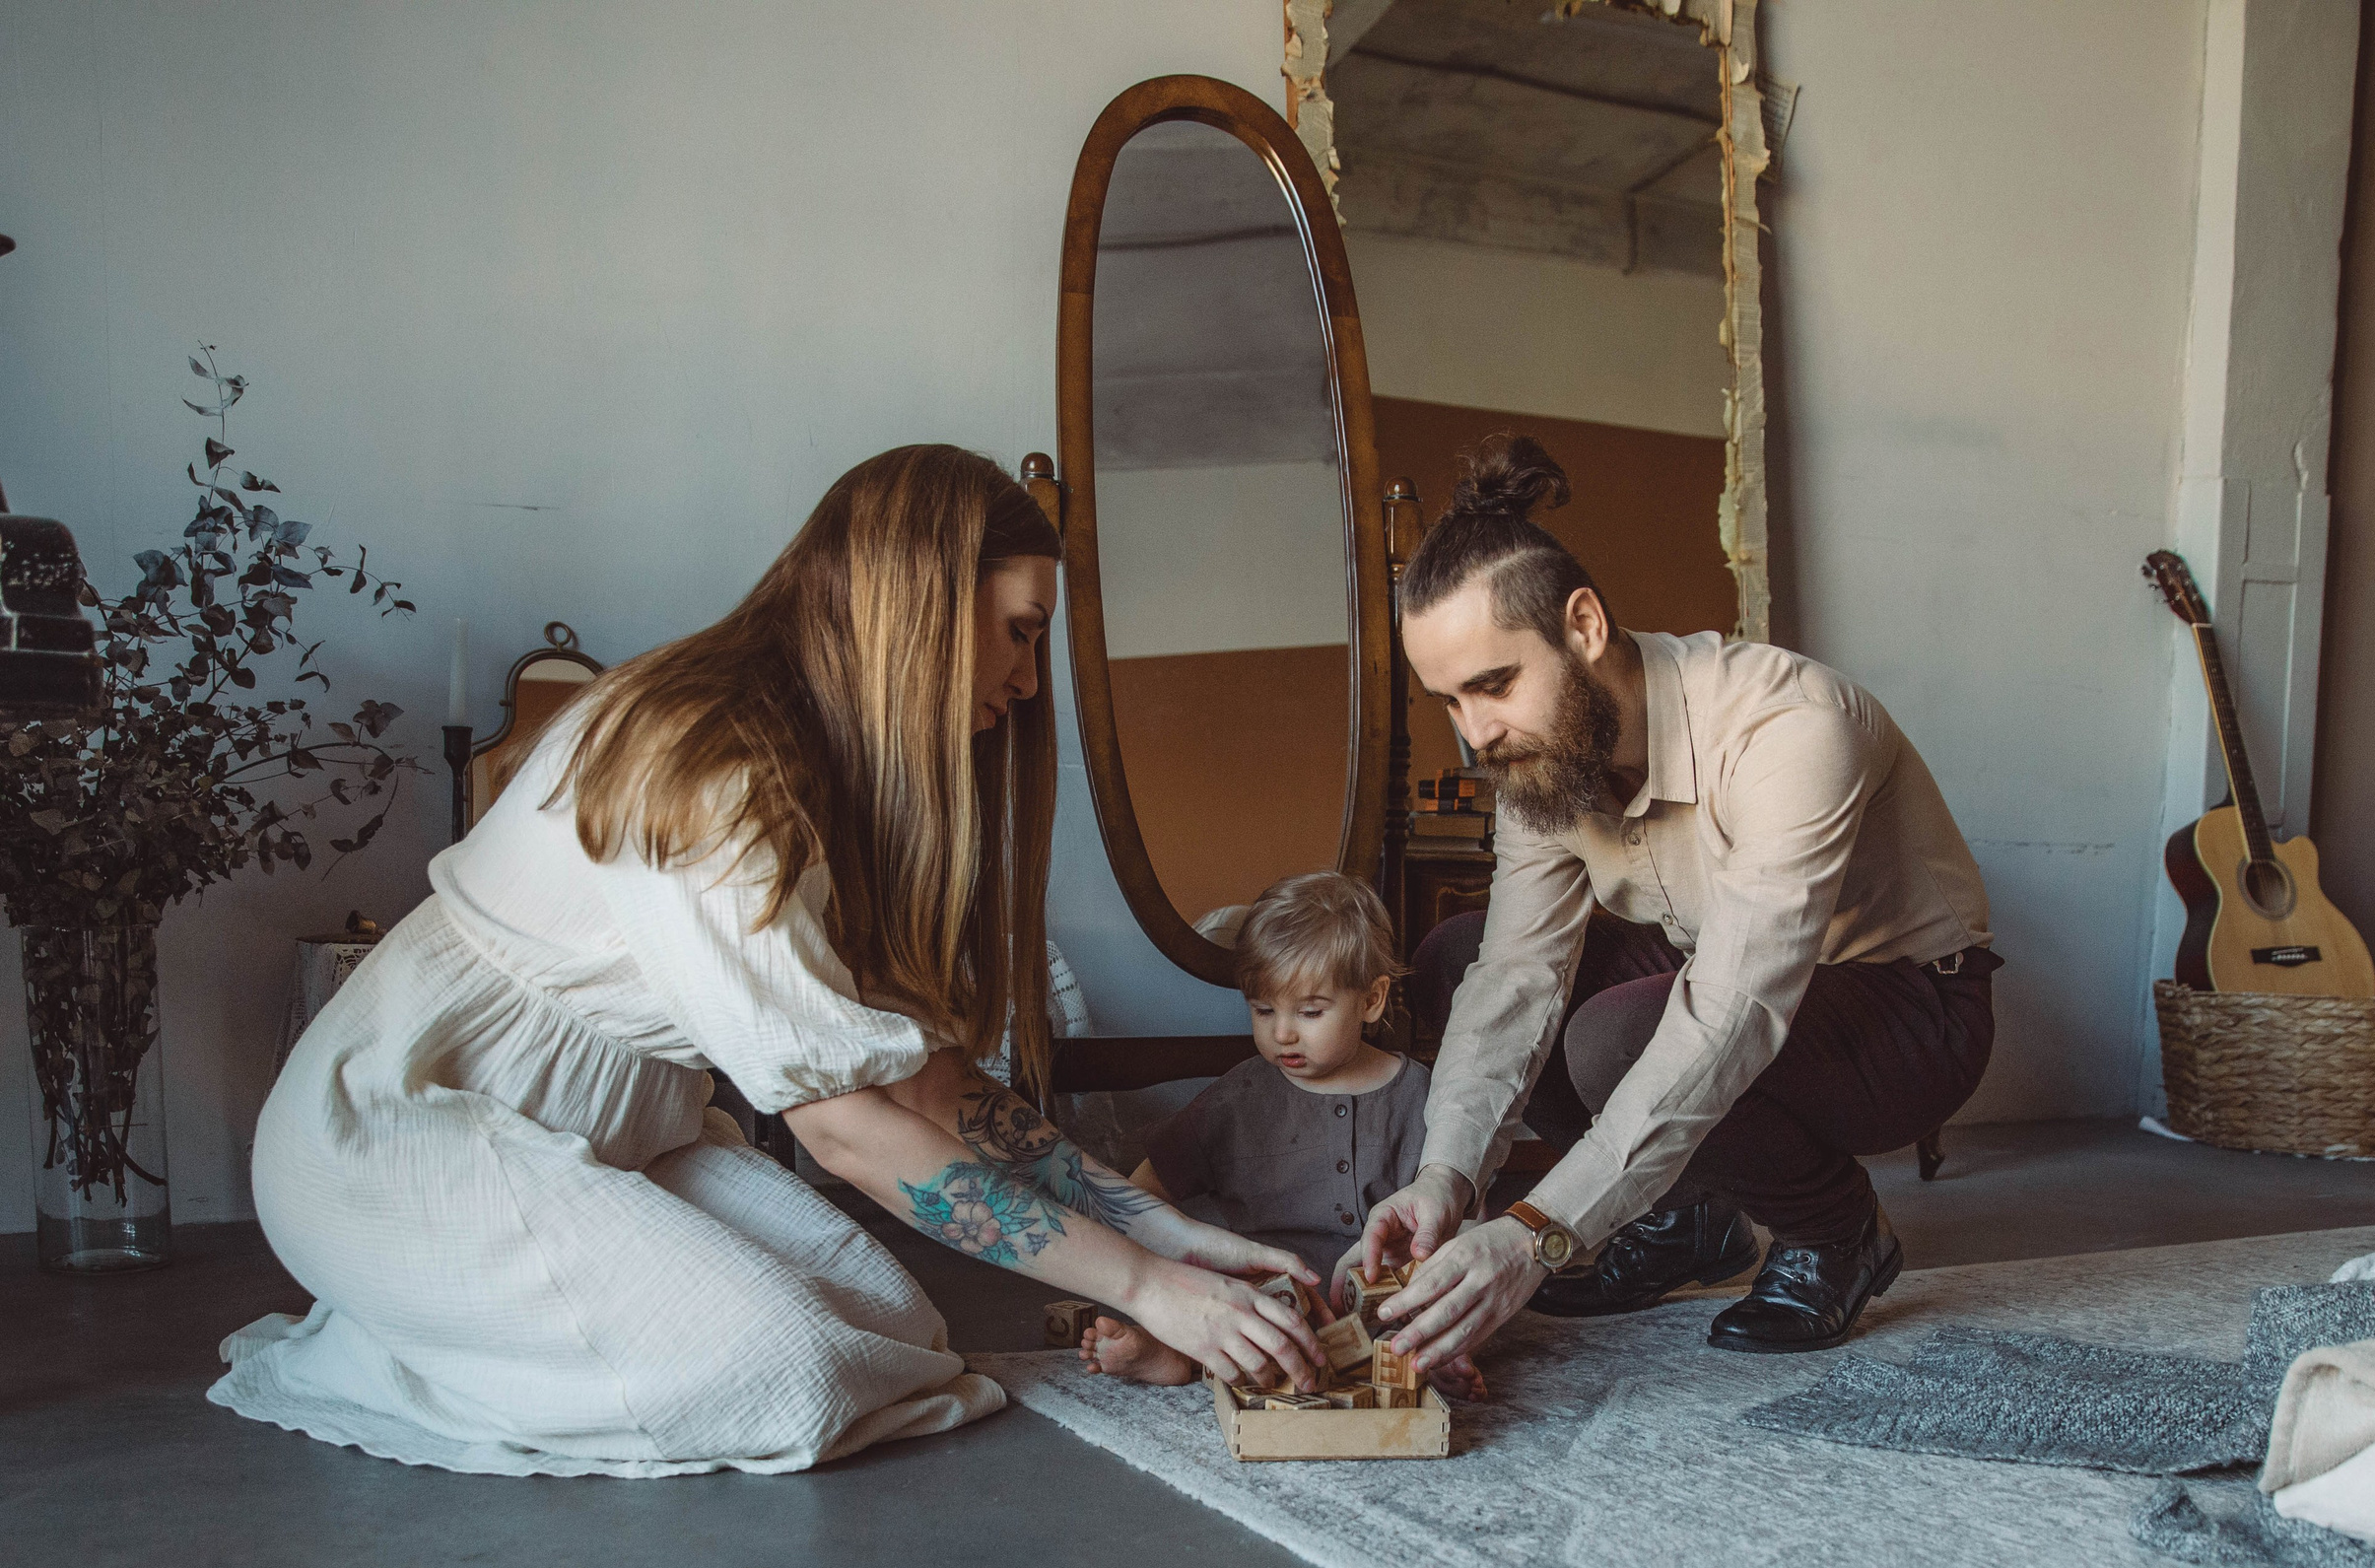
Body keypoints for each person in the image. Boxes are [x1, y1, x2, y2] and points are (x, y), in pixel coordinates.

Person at [209, 444, 1323, 1477]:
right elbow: (844, 1131)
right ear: (923, 597)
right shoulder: (710, 762)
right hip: (403, 1133)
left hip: (616, 1140)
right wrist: (1148, 1293)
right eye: (1023, 630)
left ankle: (476, 1317)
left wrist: (1164, 1237)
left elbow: (922, 1084)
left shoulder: (830, 772)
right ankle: (387, 1336)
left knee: (891, 1327)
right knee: (792, 1372)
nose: (1031, 681)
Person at [1348, 434, 2000, 1377]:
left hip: (1911, 1012)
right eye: (1449, 701)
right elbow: (1518, 974)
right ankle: (1687, 1223)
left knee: (1617, 1038)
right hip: (1734, 987)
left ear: (1583, 626)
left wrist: (1537, 1232)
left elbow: (1733, 1012)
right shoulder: (1536, 757)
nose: (1476, 735)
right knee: (1456, 956)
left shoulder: (1792, 727)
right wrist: (1446, 1178)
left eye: (1493, 685)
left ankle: (1839, 1232)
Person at [1077, 872, 1455, 1389]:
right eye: (1263, 1010)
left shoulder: (1420, 1093)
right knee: (1216, 1303)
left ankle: (1441, 1356)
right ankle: (1170, 1354)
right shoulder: (1240, 1096)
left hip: (1380, 1302)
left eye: (1310, 1012)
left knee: (1439, 1302)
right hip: (1260, 1297)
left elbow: (1457, 1213)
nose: (1282, 1032)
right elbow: (1144, 1190)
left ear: (1371, 1000)